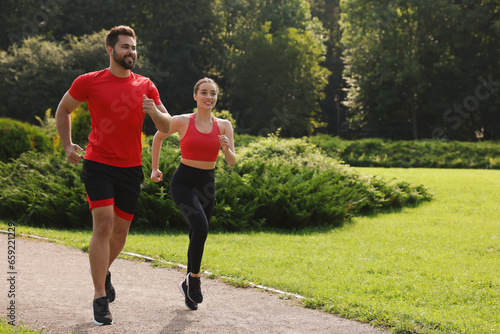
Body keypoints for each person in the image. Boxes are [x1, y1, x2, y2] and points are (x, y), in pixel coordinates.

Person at [55, 25, 171, 326]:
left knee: (120, 233)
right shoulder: (89, 82)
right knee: (104, 225)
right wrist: (67, 144)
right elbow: (63, 109)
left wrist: (154, 113)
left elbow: (167, 126)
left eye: (133, 47)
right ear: (110, 50)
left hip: (131, 168)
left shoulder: (146, 85)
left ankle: (103, 270)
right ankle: (99, 297)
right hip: (98, 164)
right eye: (124, 47)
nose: (130, 52)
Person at [150, 77, 236, 310]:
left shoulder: (225, 125)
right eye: (204, 93)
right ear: (195, 96)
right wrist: (155, 168)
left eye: (213, 93)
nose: (209, 97)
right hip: (183, 183)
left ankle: (188, 287)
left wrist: (227, 148)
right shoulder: (181, 121)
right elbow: (158, 136)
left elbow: (231, 162)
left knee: (196, 234)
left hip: (207, 184)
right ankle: (195, 280)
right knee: (201, 227)